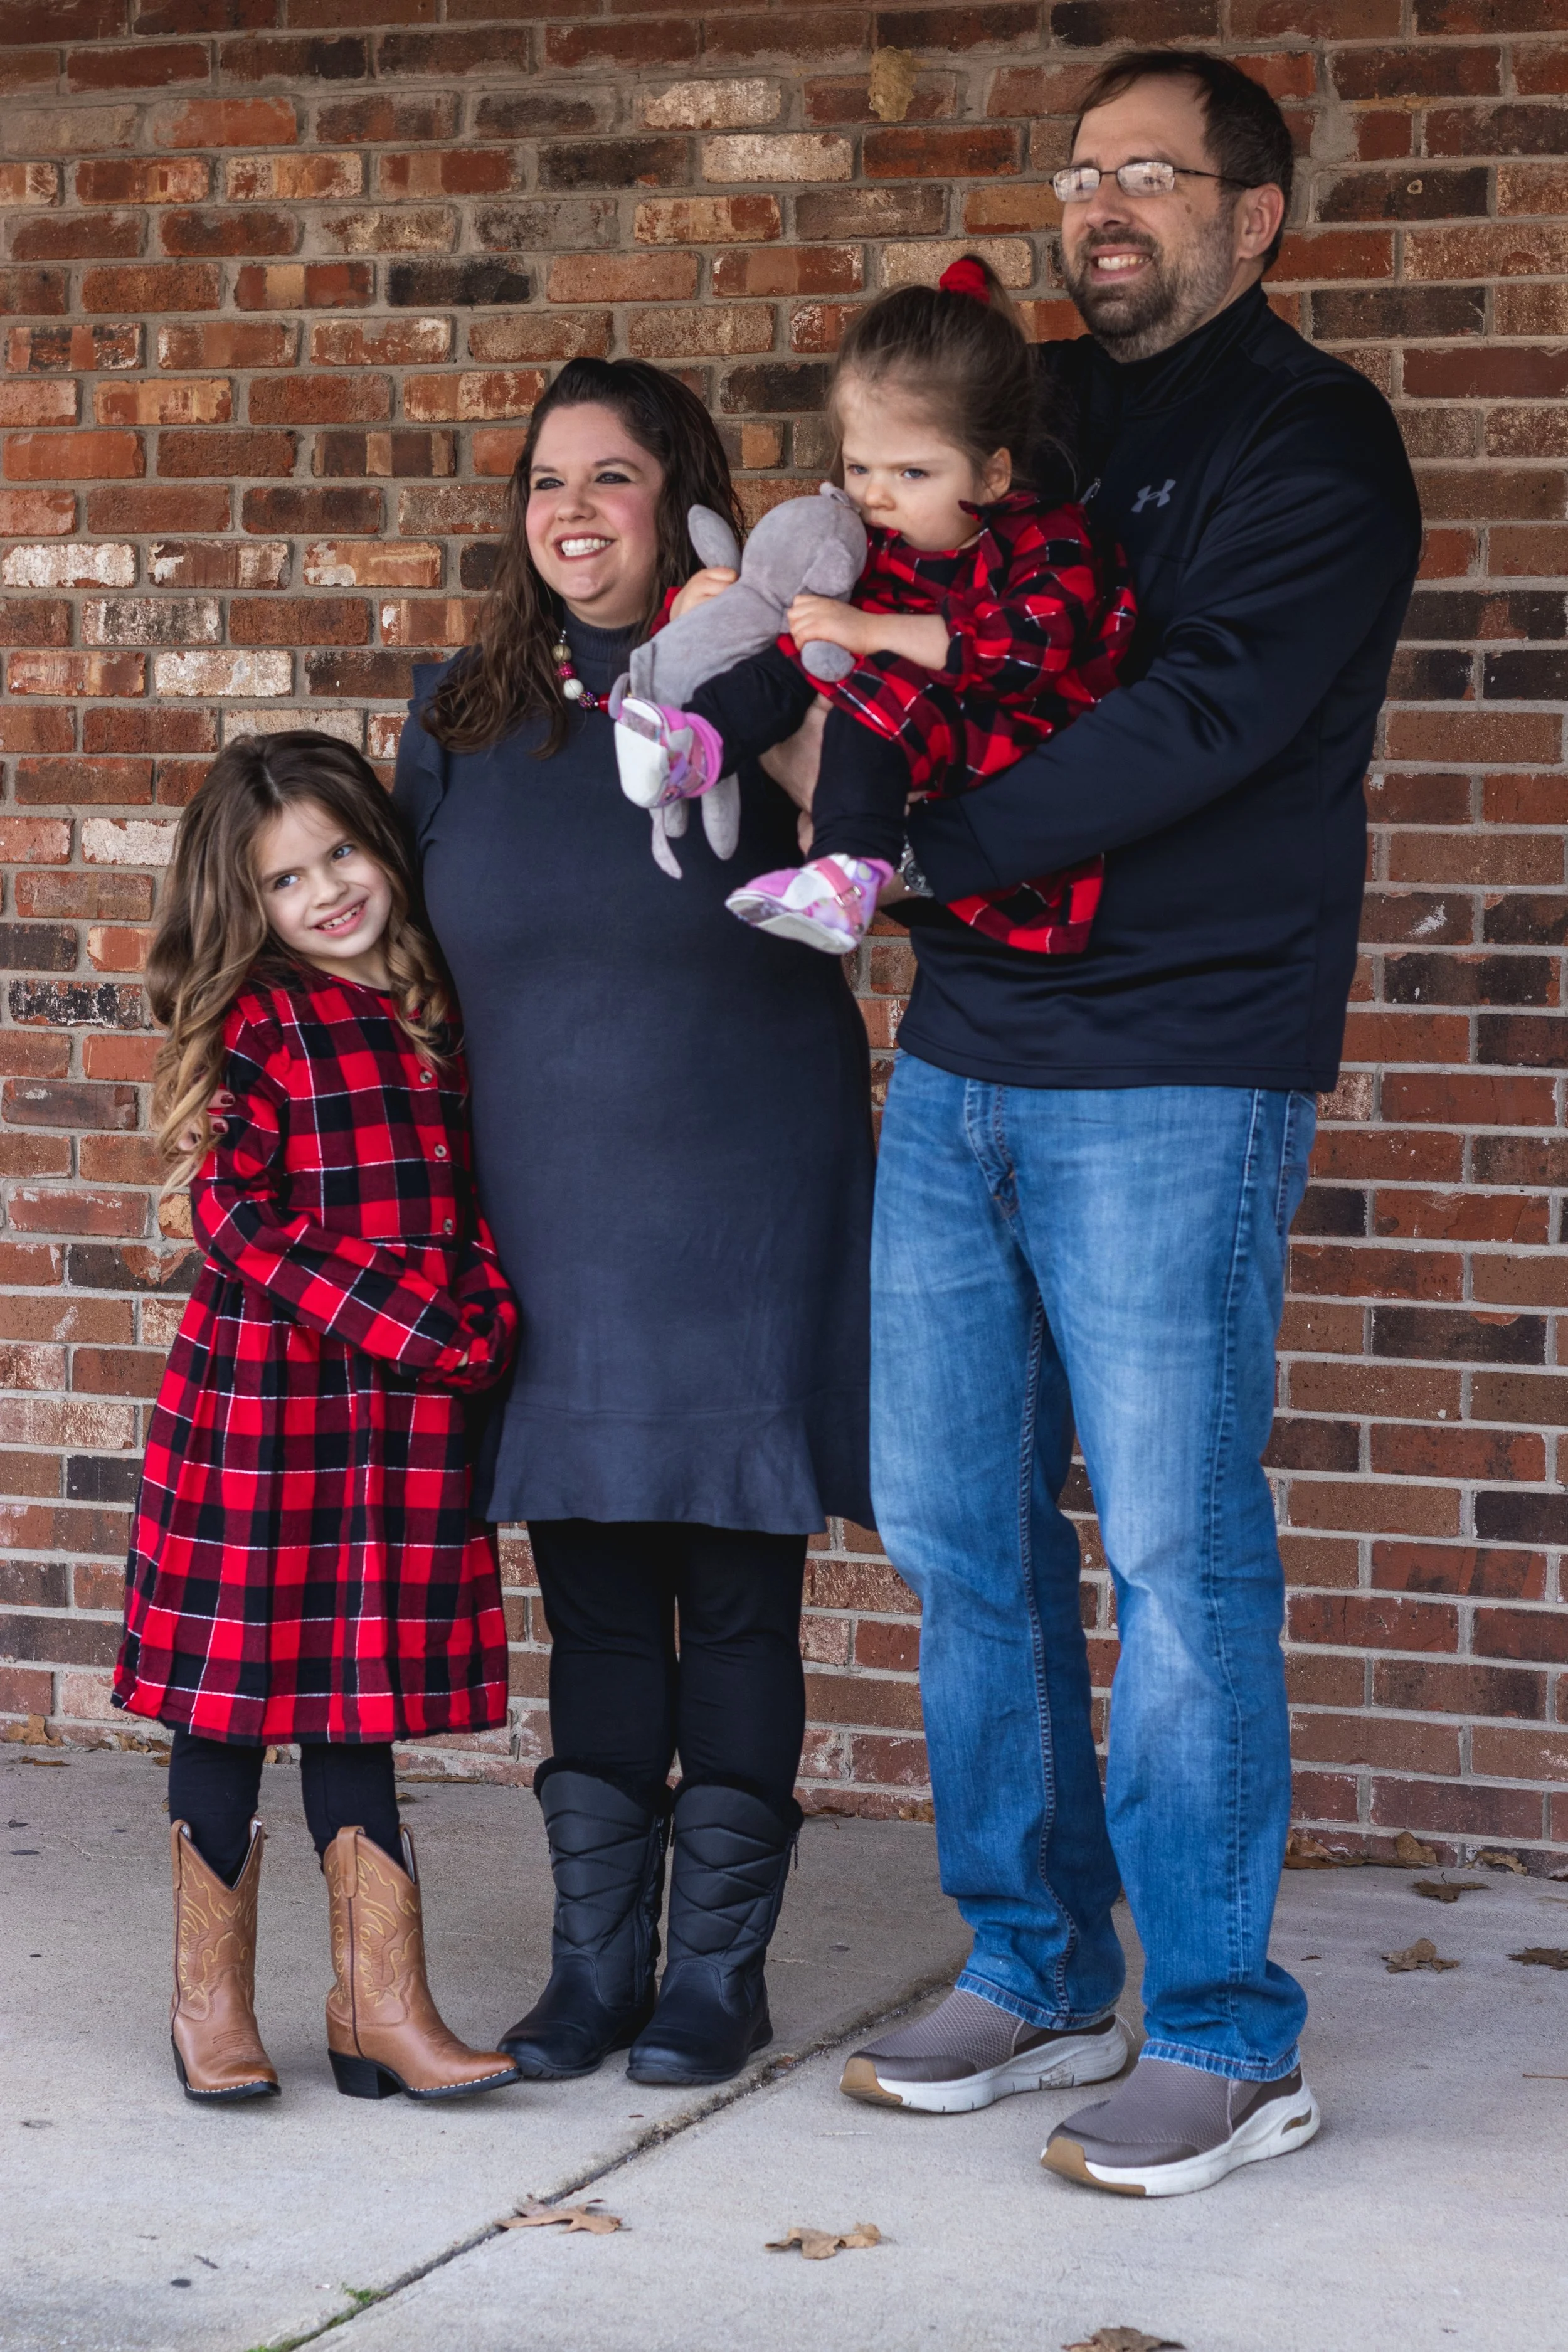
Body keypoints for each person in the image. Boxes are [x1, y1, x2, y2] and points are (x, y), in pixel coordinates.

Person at [814, 50, 1422, 2193]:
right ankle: (1035, 1950)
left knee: (1174, 1553)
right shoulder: (1031, 413)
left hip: (1177, 1068)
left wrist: (910, 852)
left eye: (1154, 175)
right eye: (1084, 173)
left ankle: (1234, 2033)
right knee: (962, 1535)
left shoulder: (1312, 440)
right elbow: (891, 556)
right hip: (966, 1064)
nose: (1106, 208)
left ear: (1259, 215)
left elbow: (1202, 716)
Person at [392, 357, 875, 2090]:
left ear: (685, 500)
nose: (569, 510)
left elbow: (895, 849)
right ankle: (597, 1970)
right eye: (542, 480)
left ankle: (715, 1979)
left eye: (611, 476)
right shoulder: (454, 720)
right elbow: (391, 977)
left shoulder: (775, 680)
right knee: (592, 1599)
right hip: (545, 1215)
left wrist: (791, 672)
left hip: (749, 1195)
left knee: (738, 1593)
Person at [115, 732, 521, 2108]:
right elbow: (230, 1214)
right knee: (230, 1701)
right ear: (254, 910)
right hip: (269, 1405)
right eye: (289, 882)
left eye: (343, 853)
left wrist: (484, 1309)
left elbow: (476, 1204)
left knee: (359, 1697)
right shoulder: (270, 1017)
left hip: (396, 1429)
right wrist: (413, 1323)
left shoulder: (438, 1008)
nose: (329, 893)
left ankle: (379, 2006)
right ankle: (208, 2006)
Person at [613, 256, 1135, 956]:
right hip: (900, 739)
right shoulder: (872, 537)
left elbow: (1023, 653)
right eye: (859, 467)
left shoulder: (1049, 539)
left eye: (911, 472)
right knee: (791, 654)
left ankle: (846, 874)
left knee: (872, 689)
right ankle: (697, 745)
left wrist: (867, 628)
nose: (875, 495)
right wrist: (699, 606)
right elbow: (775, 599)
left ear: (992, 472)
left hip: (1007, 746)